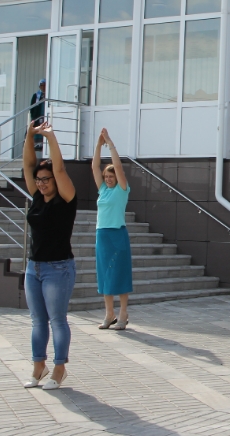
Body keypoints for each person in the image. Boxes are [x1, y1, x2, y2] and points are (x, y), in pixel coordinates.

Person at [22, 119, 77, 390]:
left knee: (57, 320)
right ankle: (38, 366)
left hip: (59, 268)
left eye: (46, 179)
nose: (41, 183)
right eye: (39, 180)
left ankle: (59, 369)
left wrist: (51, 138)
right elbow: (28, 165)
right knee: (37, 321)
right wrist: (30, 136)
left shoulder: (65, 198)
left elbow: (60, 168)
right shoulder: (36, 196)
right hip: (34, 268)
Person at [92, 128, 133, 330]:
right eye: (106, 176)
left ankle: (123, 314)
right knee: (105, 274)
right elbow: (94, 167)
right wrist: (98, 145)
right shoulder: (102, 190)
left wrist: (109, 143)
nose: (108, 179)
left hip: (117, 234)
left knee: (120, 274)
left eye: (111, 176)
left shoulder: (122, 190)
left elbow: (118, 166)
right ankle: (109, 314)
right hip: (102, 235)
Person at [30, 79, 46, 152]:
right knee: (37, 129)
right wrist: (33, 116)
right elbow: (32, 107)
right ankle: (37, 145)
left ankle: (44, 145)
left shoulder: (49, 94)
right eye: (41, 85)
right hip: (38, 115)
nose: (43, 87)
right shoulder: (36, 95)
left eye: (44, 85)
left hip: (45, 115)